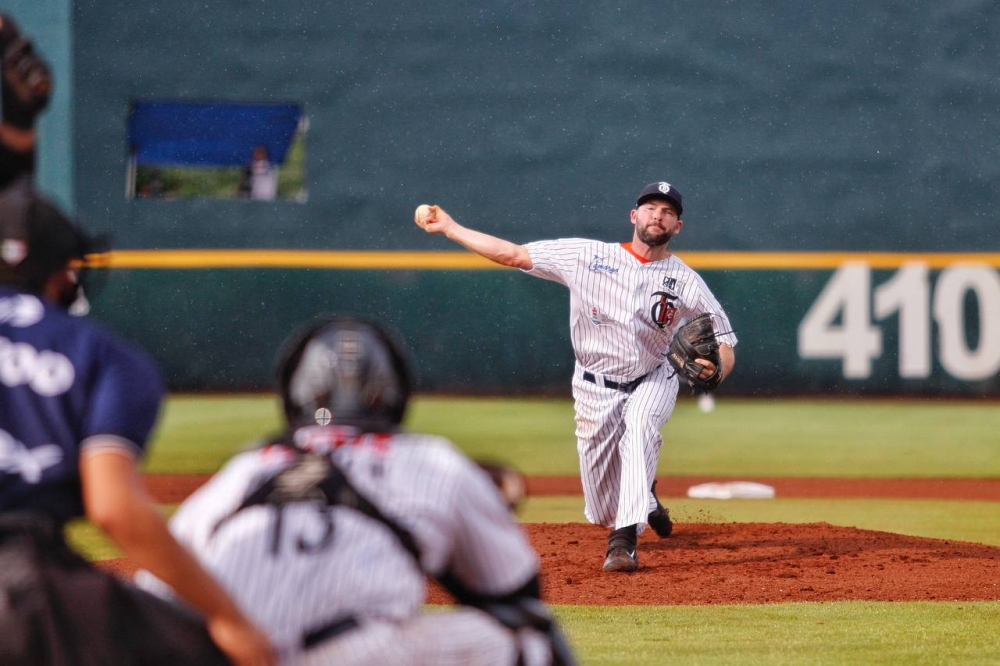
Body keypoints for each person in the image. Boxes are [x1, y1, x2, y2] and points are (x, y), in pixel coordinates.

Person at [0, 13, 275, 665]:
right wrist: (231, 622)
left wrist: (16, 135)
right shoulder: (101, 355)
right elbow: (114, 510)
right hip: (28, 584)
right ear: (64, 274)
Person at [136, 315, 575, 666]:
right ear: (393, 392)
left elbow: (151, 598)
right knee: (531, 637)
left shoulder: (246, 468)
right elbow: (514, 593)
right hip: (352, 654)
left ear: (296, 392)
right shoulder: (429, 459)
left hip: (228, 652)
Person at [414, 181, 738, 573]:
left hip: (653, 377)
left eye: (668, 211)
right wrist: (451, 228)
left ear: (678, 226)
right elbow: (514, 254)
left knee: (639, 428)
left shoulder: (685, 280)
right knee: (602, 507)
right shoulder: (586, 255)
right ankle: (645, 499)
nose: (659, 215)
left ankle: (623, 543)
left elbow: (724, 341)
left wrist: (716, 372)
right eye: (651, 207)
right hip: (593, 386)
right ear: (634, 216)